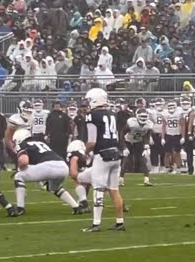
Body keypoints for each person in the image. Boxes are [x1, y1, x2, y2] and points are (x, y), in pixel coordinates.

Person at [83, 88, 127, 232]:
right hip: (116, 153)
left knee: (98, 189)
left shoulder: (91, 116)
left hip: (102, 155)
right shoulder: (112, 114)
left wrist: (84, 153)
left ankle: (96, 224)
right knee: (114, 189)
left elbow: (92, 141)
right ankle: (120, 222)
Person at [12, 128, 79, 215]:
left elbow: (24, 161)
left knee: (19, 176)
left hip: (47, 166)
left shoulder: (22, 144)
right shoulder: (40, 142)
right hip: (63, 166)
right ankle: (76, 207)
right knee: (54, 187)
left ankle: (20, 208)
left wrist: (19, 168)